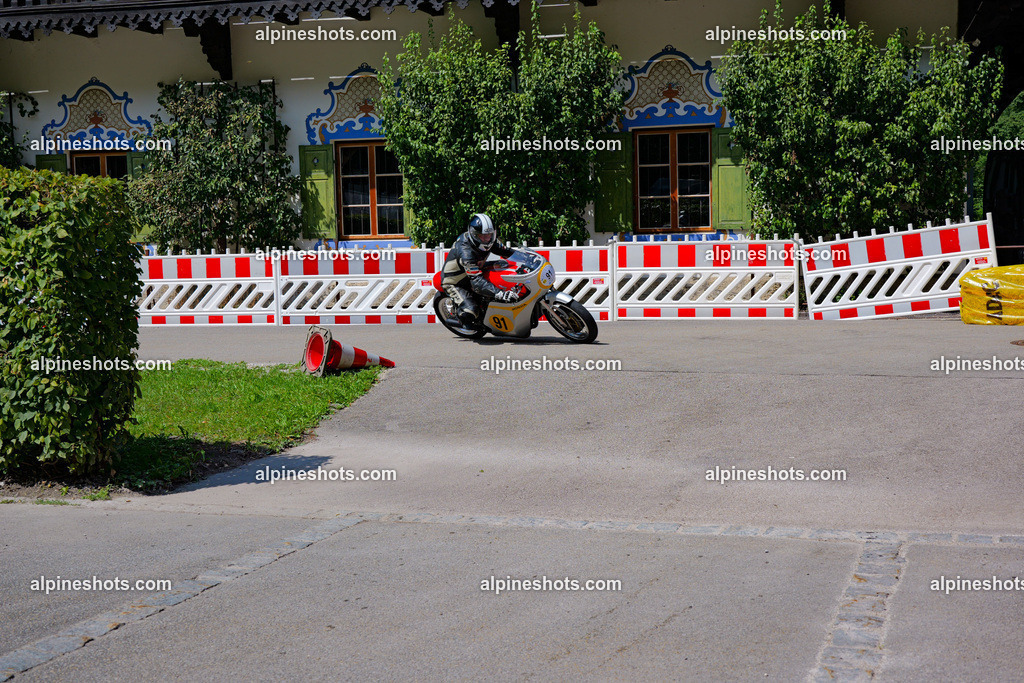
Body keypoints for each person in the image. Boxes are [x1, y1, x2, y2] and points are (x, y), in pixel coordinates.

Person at [441, 213, 525, 326]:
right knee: (471, 310)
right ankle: (461, 318)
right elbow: (476, 281)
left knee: (504, 265)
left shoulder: (490, 241)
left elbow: (508, 252)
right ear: (474, 235)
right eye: (482, 236)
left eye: (489, 235)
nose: (487, 239)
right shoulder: (466, 250)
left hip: (475, 270)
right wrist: (500, 293)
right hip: (456, 281)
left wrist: (528, 258)